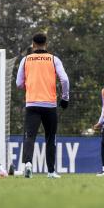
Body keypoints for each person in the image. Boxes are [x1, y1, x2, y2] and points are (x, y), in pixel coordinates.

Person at [16, 32, 69, 179]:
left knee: (30, 136)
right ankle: (51, 172)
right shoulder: (53, 59)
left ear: (33, 44)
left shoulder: (26, 60)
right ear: (46, 44)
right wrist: (65, 98)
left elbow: (18, 83)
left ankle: (28, 164)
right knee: (50, 138)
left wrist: (30, 85)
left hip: (32, 103)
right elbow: (65, 80)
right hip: (49, 105)